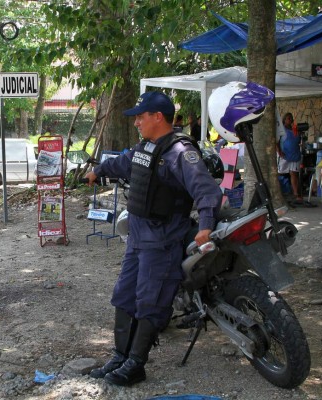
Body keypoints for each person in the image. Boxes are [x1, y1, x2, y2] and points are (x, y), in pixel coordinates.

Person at [84, 91, 222, 386]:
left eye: (141, 116)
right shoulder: (146, 147)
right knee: (124, 295)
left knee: (150, 300)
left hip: (161, 241)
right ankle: (120, 356)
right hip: (137, 237)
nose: (136, 122)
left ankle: (136, 364)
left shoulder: (180, 152)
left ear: (158, 117)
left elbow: (206, 190)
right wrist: (97, 171)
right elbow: (124, 163)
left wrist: (206, 224)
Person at [276, 112, 313, 207]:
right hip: (284, 155)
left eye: (291, 118)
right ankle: (279, 193)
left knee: (294, 174)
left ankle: (296, 194)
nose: (290, 120)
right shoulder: (281, 130)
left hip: (294, 155)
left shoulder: (295, 129)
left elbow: (300, 140)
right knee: (280, 173)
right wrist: (279, 151)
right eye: (288, 118)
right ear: (284, 120)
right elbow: (277, 141)